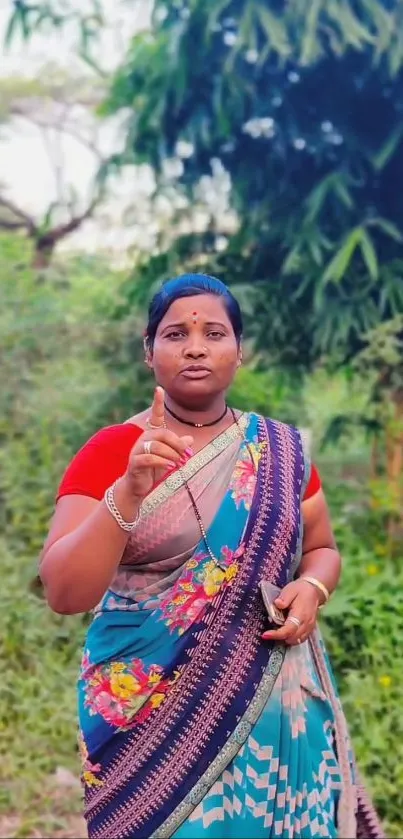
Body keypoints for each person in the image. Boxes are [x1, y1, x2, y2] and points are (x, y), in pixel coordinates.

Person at [40, 274, 383, 839]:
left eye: (214, 332)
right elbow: (64, 592)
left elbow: (320, 548)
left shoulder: (280, 452)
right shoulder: (110, 451)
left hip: (271, 702)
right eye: (175, 333)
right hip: (145, 712)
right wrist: (127, 491)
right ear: (149, 352)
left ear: (239, 351)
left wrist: (313, 588)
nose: (195, 346)